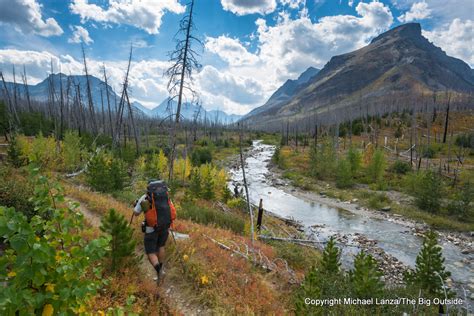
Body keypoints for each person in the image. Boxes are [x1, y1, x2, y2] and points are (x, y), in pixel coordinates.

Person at [133, 180, 176, 281]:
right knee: (161, 246)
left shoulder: (145, 198)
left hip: (151, 229)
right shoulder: (165, 197)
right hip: (165, 227)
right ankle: (161, 270)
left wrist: (136, 205)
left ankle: (159, 272)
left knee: (151, 252)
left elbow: (136, 213)